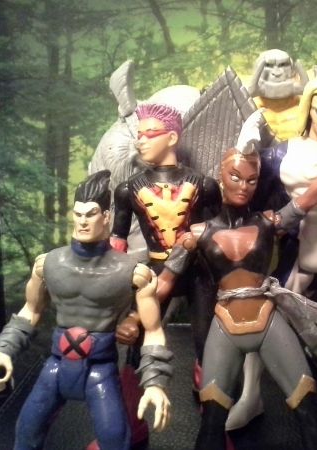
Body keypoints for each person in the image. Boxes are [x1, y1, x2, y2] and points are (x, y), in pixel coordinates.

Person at [157, 115, 317, 450]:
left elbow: (310, 198)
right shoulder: (196, 234)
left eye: (251, 180)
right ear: (221, 177)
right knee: (211, 420)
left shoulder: (269, 222)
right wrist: (135, 318)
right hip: (224, 325)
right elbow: (164, 284)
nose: (243, 185)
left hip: (268, 321)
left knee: (308, 410)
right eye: (235, 176)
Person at [0, 171, 171, 450]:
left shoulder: (132, 272)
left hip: (100, 369)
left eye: (91, 214)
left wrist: (155, 382)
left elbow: (153, 331)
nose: (83, 221)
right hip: (56, 366)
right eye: (78, 214)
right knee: (26, 432)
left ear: (106, 216)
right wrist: (2, 349)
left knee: (115, 438)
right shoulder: (48, 264)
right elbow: (29, 311)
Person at [107, 103, 221, 448]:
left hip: (198, 271)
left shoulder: (204, 184)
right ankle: (132, 425)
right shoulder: (128, 189)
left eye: (149, 134)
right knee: (136, 342)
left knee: (210, 345)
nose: (140, 141)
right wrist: (110, 282)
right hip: (156, 270)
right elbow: (118, 239)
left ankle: (213, 426)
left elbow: (217, 233)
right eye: (138, 135)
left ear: (172, 137)